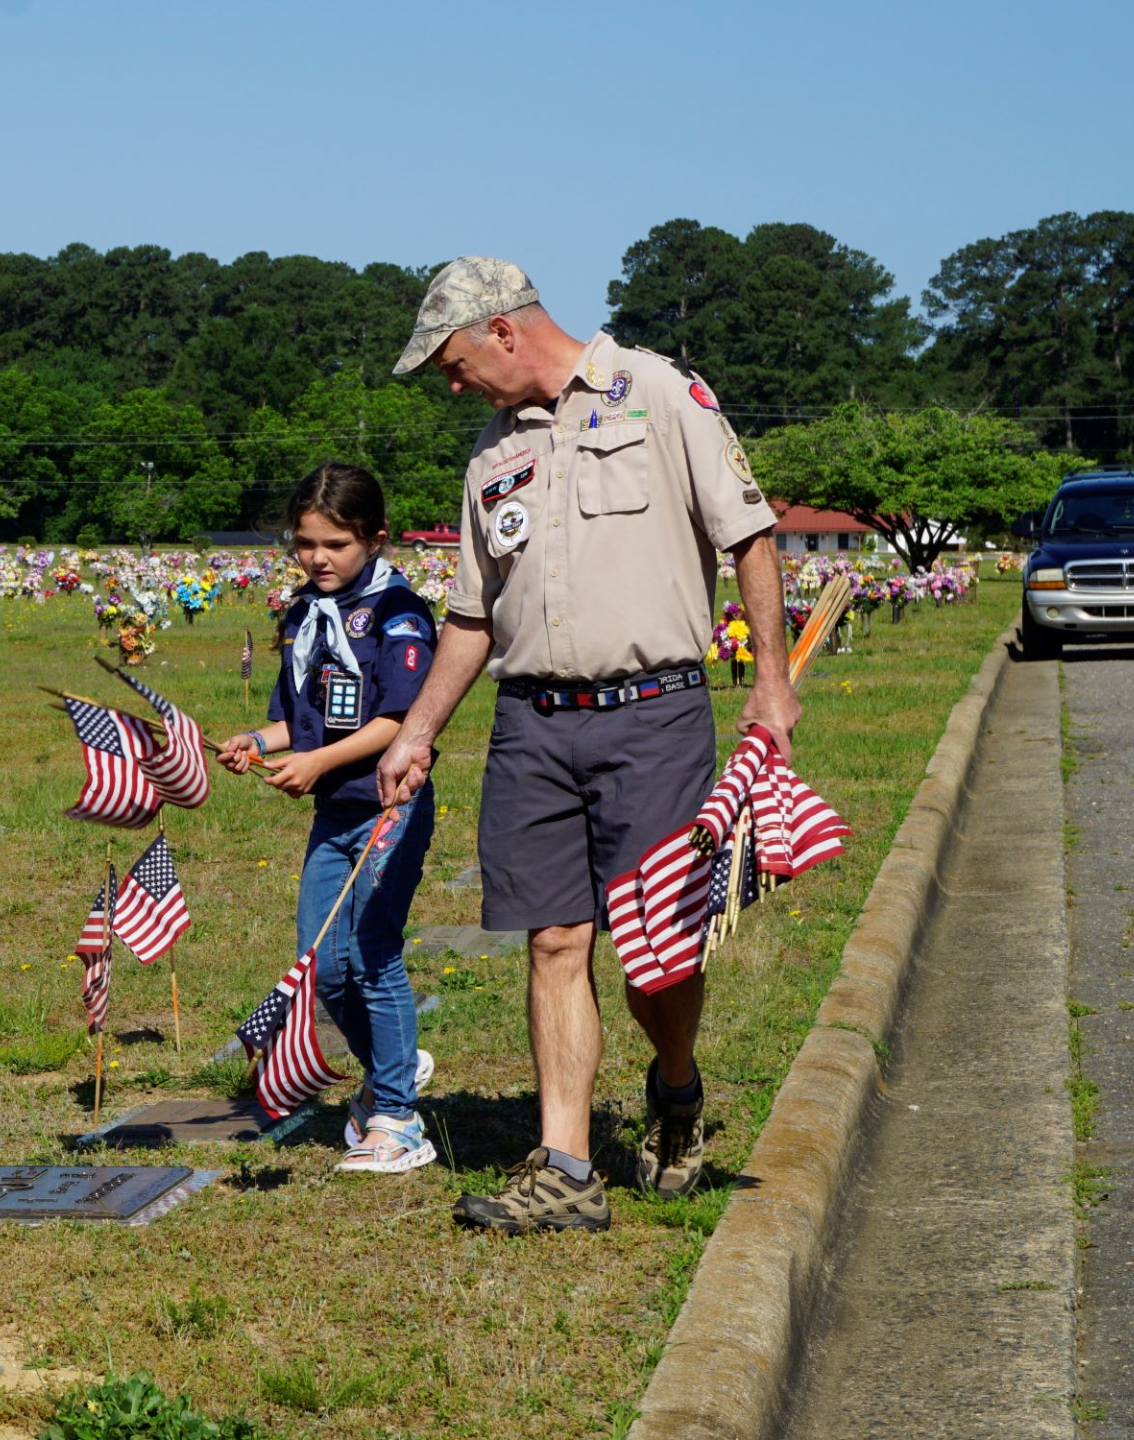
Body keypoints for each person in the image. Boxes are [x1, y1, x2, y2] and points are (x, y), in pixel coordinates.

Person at [373, 257, 797, 1234]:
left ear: (503, 332)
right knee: (555, 937)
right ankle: (564, 1168)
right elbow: (474, 616)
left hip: (652, 714)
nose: (450, 384)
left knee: (659, 955)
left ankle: (675, 1088)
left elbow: (751, 535)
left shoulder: (655, 391)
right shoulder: (490, 454)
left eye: (450, 362)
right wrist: (420, 732)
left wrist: (769, 680)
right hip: (531, 726)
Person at [218, 464, 440, 1175]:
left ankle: (399, 1117)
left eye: (336, 544)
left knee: (372, 955)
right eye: (305, 542)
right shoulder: (303, 615)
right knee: (321, 966)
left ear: (374, 539)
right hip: (333, 813)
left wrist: (319, 763)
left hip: (388, 808)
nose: (317, 557)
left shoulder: (399, 614)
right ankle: (392, 1066)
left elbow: (399, 720)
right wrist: (257, 740)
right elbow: (297, 720)